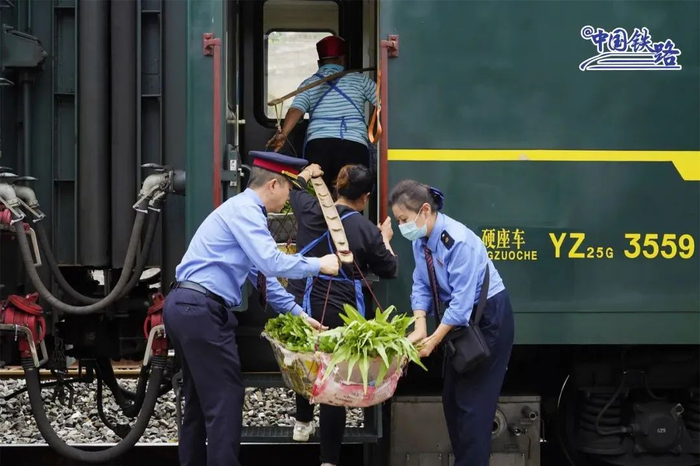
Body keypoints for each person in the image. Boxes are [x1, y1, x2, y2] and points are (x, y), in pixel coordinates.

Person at [163, 151, 341, 466]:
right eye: (288, 189)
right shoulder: (247, 211)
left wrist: (298, 314)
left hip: (187, 307)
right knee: (225, 397)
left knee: (199, 402)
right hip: (200, 310)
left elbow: (263, 276)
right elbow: (271, 262)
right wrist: (319, 264)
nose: (289, 199)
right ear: (274, 184)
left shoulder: (241, 210)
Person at [388, 180, 515, 466]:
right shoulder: (422, 241)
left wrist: (433, 341)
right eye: (398, 221)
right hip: (462, 322)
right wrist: (420, 325)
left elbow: (461, 304)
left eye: (404, 220)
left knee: (473, 408)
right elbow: (421, 283)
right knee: (453, 401)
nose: (401, 227)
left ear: (424, 210)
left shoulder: (457, 242)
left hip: (488, 319)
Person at [286, 163, 397, 466]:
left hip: (302, 300)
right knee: (333, 382)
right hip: (340, 309)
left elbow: (293, 189)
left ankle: (302, 423)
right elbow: (390, 268)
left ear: (336, 187)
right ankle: (329, 460)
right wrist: (385, 237)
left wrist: (309, 173)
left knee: (305, 361)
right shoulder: (366, 229)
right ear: (365, 197)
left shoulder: (310, 209)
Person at [266, 35, 377, 190]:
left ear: (319, 63)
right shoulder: (360, 80)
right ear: (342, 59)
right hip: (353, 145)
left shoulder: (309, 84)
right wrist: (372, 125)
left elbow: (295, 110)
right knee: (352, 194)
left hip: (318, 147)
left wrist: (283, 135)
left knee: (319, 195)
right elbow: (384, 103)